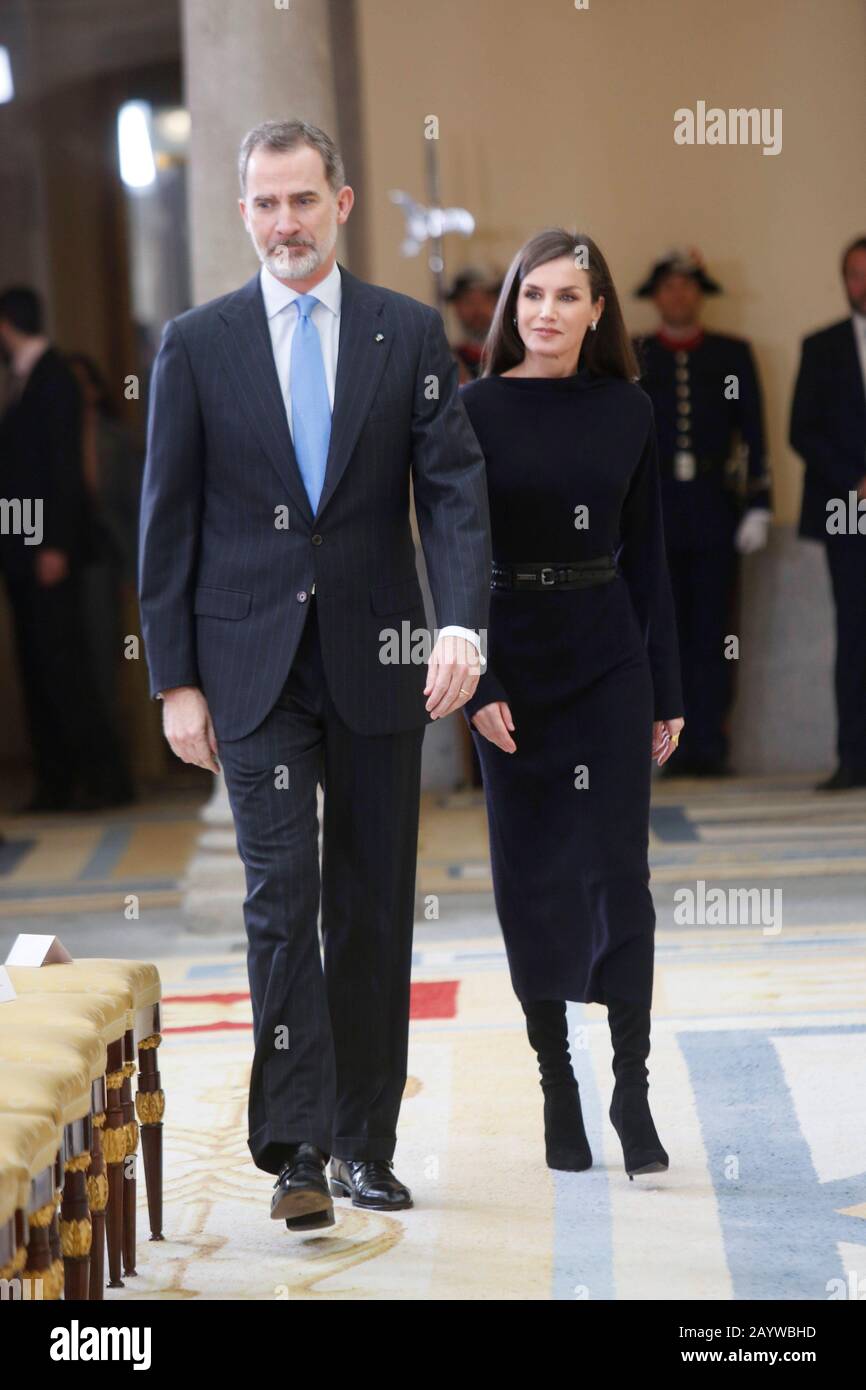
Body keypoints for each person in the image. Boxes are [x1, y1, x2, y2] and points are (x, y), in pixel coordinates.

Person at [137, 119, 492, 1230]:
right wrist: (174, 678)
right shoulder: (198, 343)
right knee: (280, 901)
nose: (284, 222)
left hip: (380, 657)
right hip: (248, 665)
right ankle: (296, 1148)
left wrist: (462, 625)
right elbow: (169, 517)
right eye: (264, 203)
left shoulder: (407, 333)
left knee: (374, 905)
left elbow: (450, 491)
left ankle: (363, 1143)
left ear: (341, 202)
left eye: (303, 199)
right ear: (242, 212)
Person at [460, 228, 685, 1180]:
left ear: (599, 312)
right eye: (533, 295)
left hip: (607, 659)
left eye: (567, 297)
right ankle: (558, 1081)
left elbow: (651, 559)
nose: (547, 312)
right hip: (513, 659)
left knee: (616, 874)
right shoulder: (471, 410)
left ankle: (631, 1086)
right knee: (531, 879)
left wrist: (666, 688)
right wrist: (479, 683)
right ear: (514, 307)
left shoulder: (628, 408)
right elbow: (453, 555)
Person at [632, 250, 772, 775]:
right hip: (658, 511)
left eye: (687, 286)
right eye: (669, 286)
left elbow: (755, 432)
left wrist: (759, 504)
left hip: (716, 508)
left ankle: (712, 743)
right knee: (663, 633)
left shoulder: (731, 354)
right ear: (657, 294)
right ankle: (670, 747)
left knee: (716, 633)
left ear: (699, 293)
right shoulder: (638, 353)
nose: (678, 295)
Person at [0, 286, 128, 812]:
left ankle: (103, 780)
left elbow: (60, 472)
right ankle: (57, 781)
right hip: (23, 548)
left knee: (63, 668)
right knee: (38, 666)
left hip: (45, 550)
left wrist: (51, 545)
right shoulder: (26, 380)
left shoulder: (53, 377)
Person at [790, 235, 866, 790]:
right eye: (855, 274)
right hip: (849, 511)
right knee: (855, 633)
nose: (862, 284)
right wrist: (856, 482)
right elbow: (802, 430)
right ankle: (854, 758)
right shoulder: (822, 346)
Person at [68, 352, 142, 806]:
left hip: (107, 566)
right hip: (68, 570)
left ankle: (117, 778)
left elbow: (138, 514)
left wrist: (134, 572)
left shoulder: (120, 442)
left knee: (105, 673)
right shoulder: (51, 442)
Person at [445, 268, 500, 384]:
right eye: (466, 302)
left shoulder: (516, 351)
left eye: (480, 300)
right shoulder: (454, 356)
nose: (475, 310)